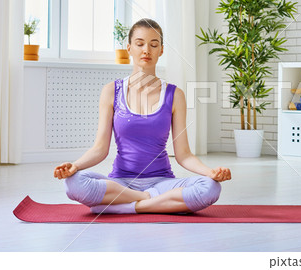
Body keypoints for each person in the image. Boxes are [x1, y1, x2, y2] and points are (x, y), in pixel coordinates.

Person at [54, 18, 231, 214]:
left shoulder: (175, 95)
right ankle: (152, 202)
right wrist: (75, 166)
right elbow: (100, 149)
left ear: (161, 50)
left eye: (153, 45)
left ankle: (127, 207)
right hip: (120, 183)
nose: (146, 50)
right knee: (73, 183)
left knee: (211, 188)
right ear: (129, 48)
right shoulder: (111, 91)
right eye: (140, 44)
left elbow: (184, 155)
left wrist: (211, 173)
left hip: (162, 182)